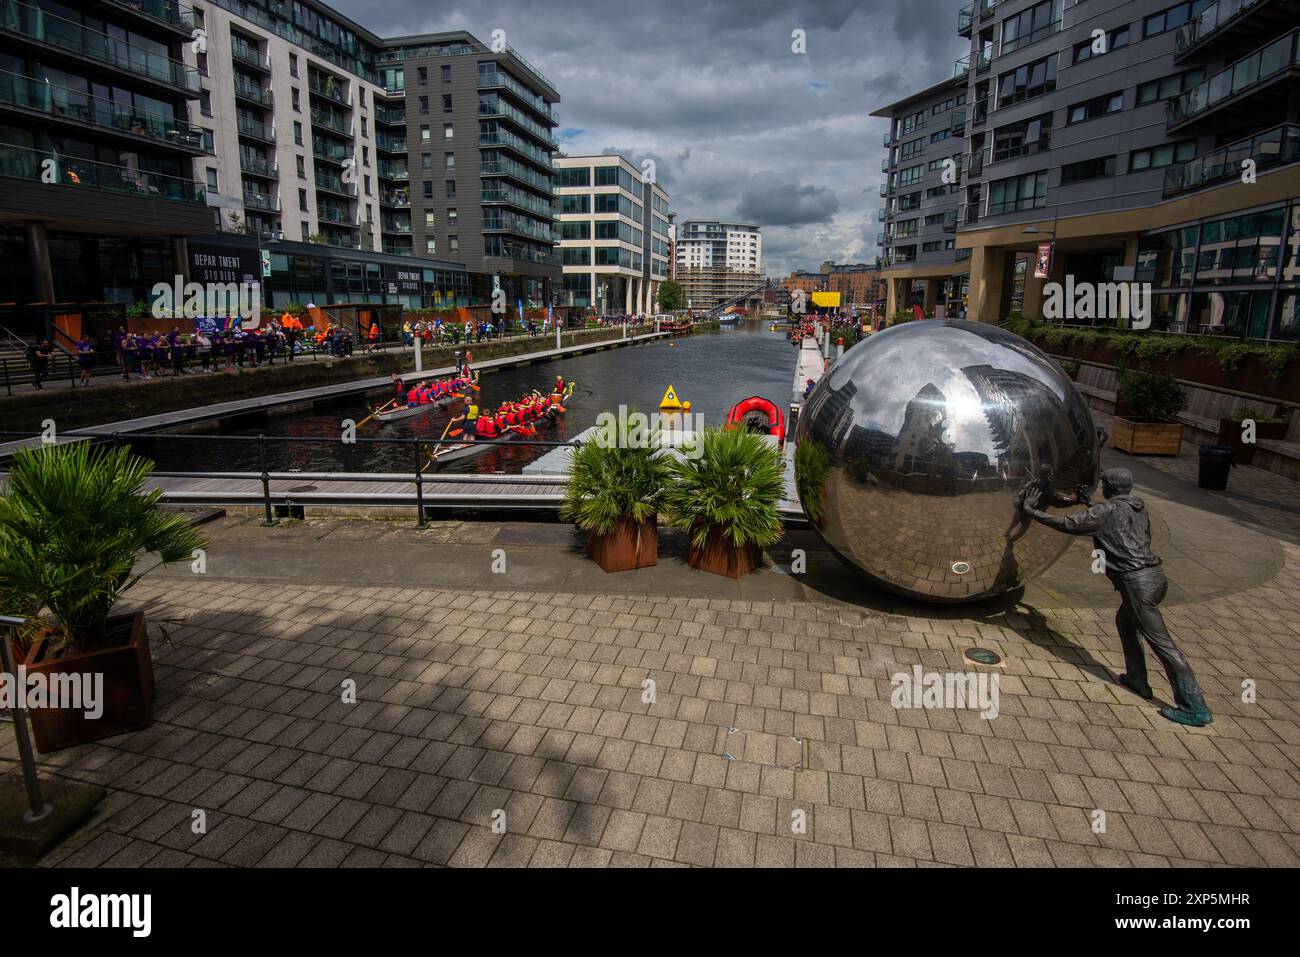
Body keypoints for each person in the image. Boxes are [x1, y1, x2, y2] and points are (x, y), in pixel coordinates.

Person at [1020, 468, 1213, 727]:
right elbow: (1120, 524)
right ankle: (1137, 679)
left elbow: (1070, 524)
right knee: (1125, 623)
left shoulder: (1105, 511)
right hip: (1156, 577)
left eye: (1103, 485)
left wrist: (1032, 512)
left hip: (1136, 584)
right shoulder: (1137, 508)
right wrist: (1089, 503)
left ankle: (1194, 708)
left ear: (1109, 486)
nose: (1101, 489)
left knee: (1163, 645)